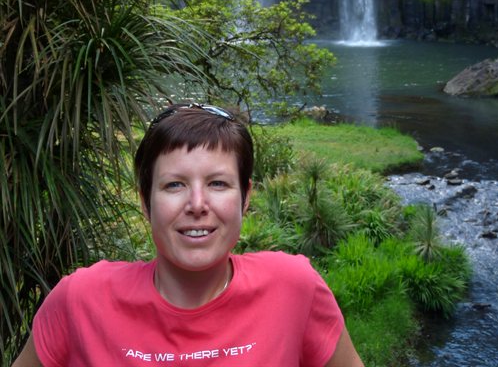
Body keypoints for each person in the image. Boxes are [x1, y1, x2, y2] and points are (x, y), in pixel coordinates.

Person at [12, 102, 364, 366]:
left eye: (218, 183)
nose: (197, 204)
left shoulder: (294, 288)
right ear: (145, 201)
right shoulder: (80, 300)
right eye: (175, 184)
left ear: (245, 197)